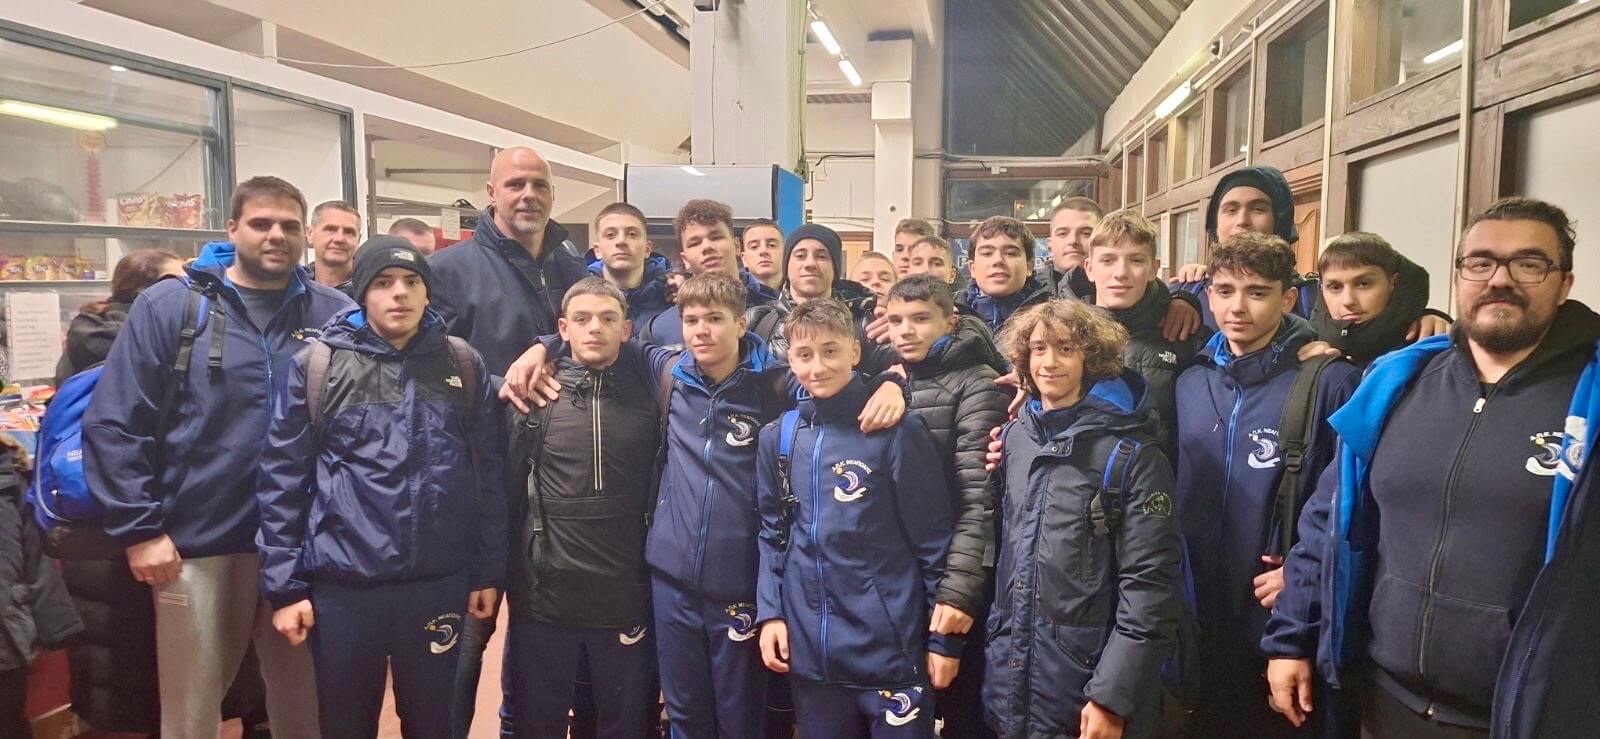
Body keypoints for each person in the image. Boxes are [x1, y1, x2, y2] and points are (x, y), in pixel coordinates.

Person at [501, 272, 910, 738]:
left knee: (739, 721)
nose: (702, 331)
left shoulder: (773, 383)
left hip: (737, 581)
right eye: (691, 320)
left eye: (715, 319)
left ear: (741, 324)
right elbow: (595, 334)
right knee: (684, 717)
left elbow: (835, 386)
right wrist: (542, 346)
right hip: (671, 580)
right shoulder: (668, 371)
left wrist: (891, 384)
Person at [1265, 198, 1600, 738]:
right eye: (1481, 262)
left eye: (1529, 264)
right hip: (1383, 702)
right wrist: (1291, 638)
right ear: (1459, 275)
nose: (1500, 279)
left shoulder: (1592, 400)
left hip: (1526, 718)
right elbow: (1328, 520)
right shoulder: (1397, 382)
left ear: (1564, 284)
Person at [84, 175, 350, 739]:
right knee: (191, 713)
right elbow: (115, 420)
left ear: (304, 235)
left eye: (288, 225)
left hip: (304, 544)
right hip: (197, 543)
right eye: (260, 223)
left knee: (308, 709)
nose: (275, 235)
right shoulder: (172, 307)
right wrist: (140, 528)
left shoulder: (335, 314)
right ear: (231, 229)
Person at [256, 236, 504, 739]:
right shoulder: (318, 366)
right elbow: (283, 478)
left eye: (412, 282)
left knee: (435, 724)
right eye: (384, 282)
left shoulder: (460, 364)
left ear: (428, 293)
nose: (400, 294)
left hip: (437, 582)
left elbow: (487, 476)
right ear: (362, 293)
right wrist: (285, 587)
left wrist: (487, 571)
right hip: (344, 588)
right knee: (345, 724)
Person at [55, 249, 267, 737]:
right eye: (179, 281)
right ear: (151, 294)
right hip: (153, 525)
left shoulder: (87, 336)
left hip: (108, 525)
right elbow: (117, 427)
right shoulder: (164, 333)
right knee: (173, 680)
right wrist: (141, 526)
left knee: (139, 672)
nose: (193, 289)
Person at [1174, 232, 1360, 738]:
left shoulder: (1329, 384)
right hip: (1193, 612)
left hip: (1274, 614)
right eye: (1225, 290)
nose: (1238, 307)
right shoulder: (1189, 382)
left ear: (1288, 298)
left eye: (1257, 292)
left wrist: (1303, 578)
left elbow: (1350, 506)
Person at [756, 299, 956, 739]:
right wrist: (771, 614)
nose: (818, 366)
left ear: (854, 351)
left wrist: (943, 641)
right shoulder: (779, 438)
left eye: (830, 351)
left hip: (891, 657)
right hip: (813, 661)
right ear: (791, 361)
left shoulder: (897, 431)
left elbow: (933, 542)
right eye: (805, 355)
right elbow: (773, 535)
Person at [985, 299, 1182, 739]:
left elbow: (1150, 587)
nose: (1049, 363)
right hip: (1011, 678)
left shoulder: (1133, 455)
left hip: (1087, 681)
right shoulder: (1016, 438)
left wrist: (1113, 695)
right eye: (1038, 349)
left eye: (1066, 349)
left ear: (1091, 358)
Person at [499, 278, 660, 738]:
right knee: (536, 722)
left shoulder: (654, 393)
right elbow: (506, 496)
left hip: (627, 593)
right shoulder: (531, 396)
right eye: (583, 319)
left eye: (608, 319)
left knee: (625, 725)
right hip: (545, 594)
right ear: (563, 328)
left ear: (626, 329)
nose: (595, 328)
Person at [881, 275, 1009, 738]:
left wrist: (956, 595)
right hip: (901, 584)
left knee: (961, 714)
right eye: (896, 320)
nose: (906, 330)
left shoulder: (977, 383)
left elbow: (979, 502)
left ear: (951, 322)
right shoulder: (893, 376)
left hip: (955, 580)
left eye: (920, 319)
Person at [429, 145, 589, 377]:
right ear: (491, 193)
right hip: (492, 401)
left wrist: (548, 347)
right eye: (515, 184)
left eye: (540, 185)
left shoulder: (571, 265)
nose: (529, 195)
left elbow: (598, 330)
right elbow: (434, 368)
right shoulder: (445, 272)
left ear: (552, 194)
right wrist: (504, 386)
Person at [1082, 210, 1213, 455]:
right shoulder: (1066, 336)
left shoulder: (1185, 333)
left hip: (1162, 471)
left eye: (1136, 260)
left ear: (1154, 268)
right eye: (1108, 260)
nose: (1121, 273)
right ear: (1089, 268)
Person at [2, 433, 82, 739]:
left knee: (9, 721)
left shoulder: (10, 479)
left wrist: (57, 627)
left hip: (6, 638)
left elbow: (37, 559)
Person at [745, 223, 891, 372]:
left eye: (821, 256)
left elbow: (898, 372)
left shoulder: (866, 325)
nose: (810, 264)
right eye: (800, 256)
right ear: (786, 267)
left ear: (835, 269)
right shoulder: (758, 321)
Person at [638, 199, 779, 348]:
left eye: (716, 237)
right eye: (695, 243)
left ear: (737, 246)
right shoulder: (658, 332)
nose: (707, 247)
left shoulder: (776, 311)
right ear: (685, 259)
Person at [1308, 232, 1442, 365]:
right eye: (1335, 287)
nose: (1348, 301)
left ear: (1393, 282)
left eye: (1363, 284)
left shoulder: (1429, 342)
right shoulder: (1305, 342)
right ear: (1322, 289)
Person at [55, 250, 184, 384]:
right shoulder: (157, 337)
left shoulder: (83, 328)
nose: (188, 290)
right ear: (146, 291)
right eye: (178, 283)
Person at [957, 216, 1054, 335]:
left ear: (1029, 266)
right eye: (987, 253)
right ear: (972, 268)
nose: (998, 260)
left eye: (1010, 253)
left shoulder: (1055, 318)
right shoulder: (948, 318)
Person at [588, 202, 672, 332]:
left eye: (632, 234)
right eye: (610, 235)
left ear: (647, 249)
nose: (621, 241)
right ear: (597, 250)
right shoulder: (579, 298)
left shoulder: (673, 295)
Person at [1044, 197, 1102, 299]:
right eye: (1062, 233)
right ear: (1049, 245)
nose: (1073, 240)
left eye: (1086, 233)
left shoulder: (1120, 295)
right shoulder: (1027, 299)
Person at [309, 200, 360, 294]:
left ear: (359, 239)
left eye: (349, 232)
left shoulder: (370, 291)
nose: (339, 239)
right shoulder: (290, 289)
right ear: (309, 234)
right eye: (330, 229)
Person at [741, 218, 785, 291]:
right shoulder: (732, 296)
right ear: (744, 259)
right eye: (754, 246)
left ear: (785, 253)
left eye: (772, 245)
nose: (763, 251)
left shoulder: (802, 292)